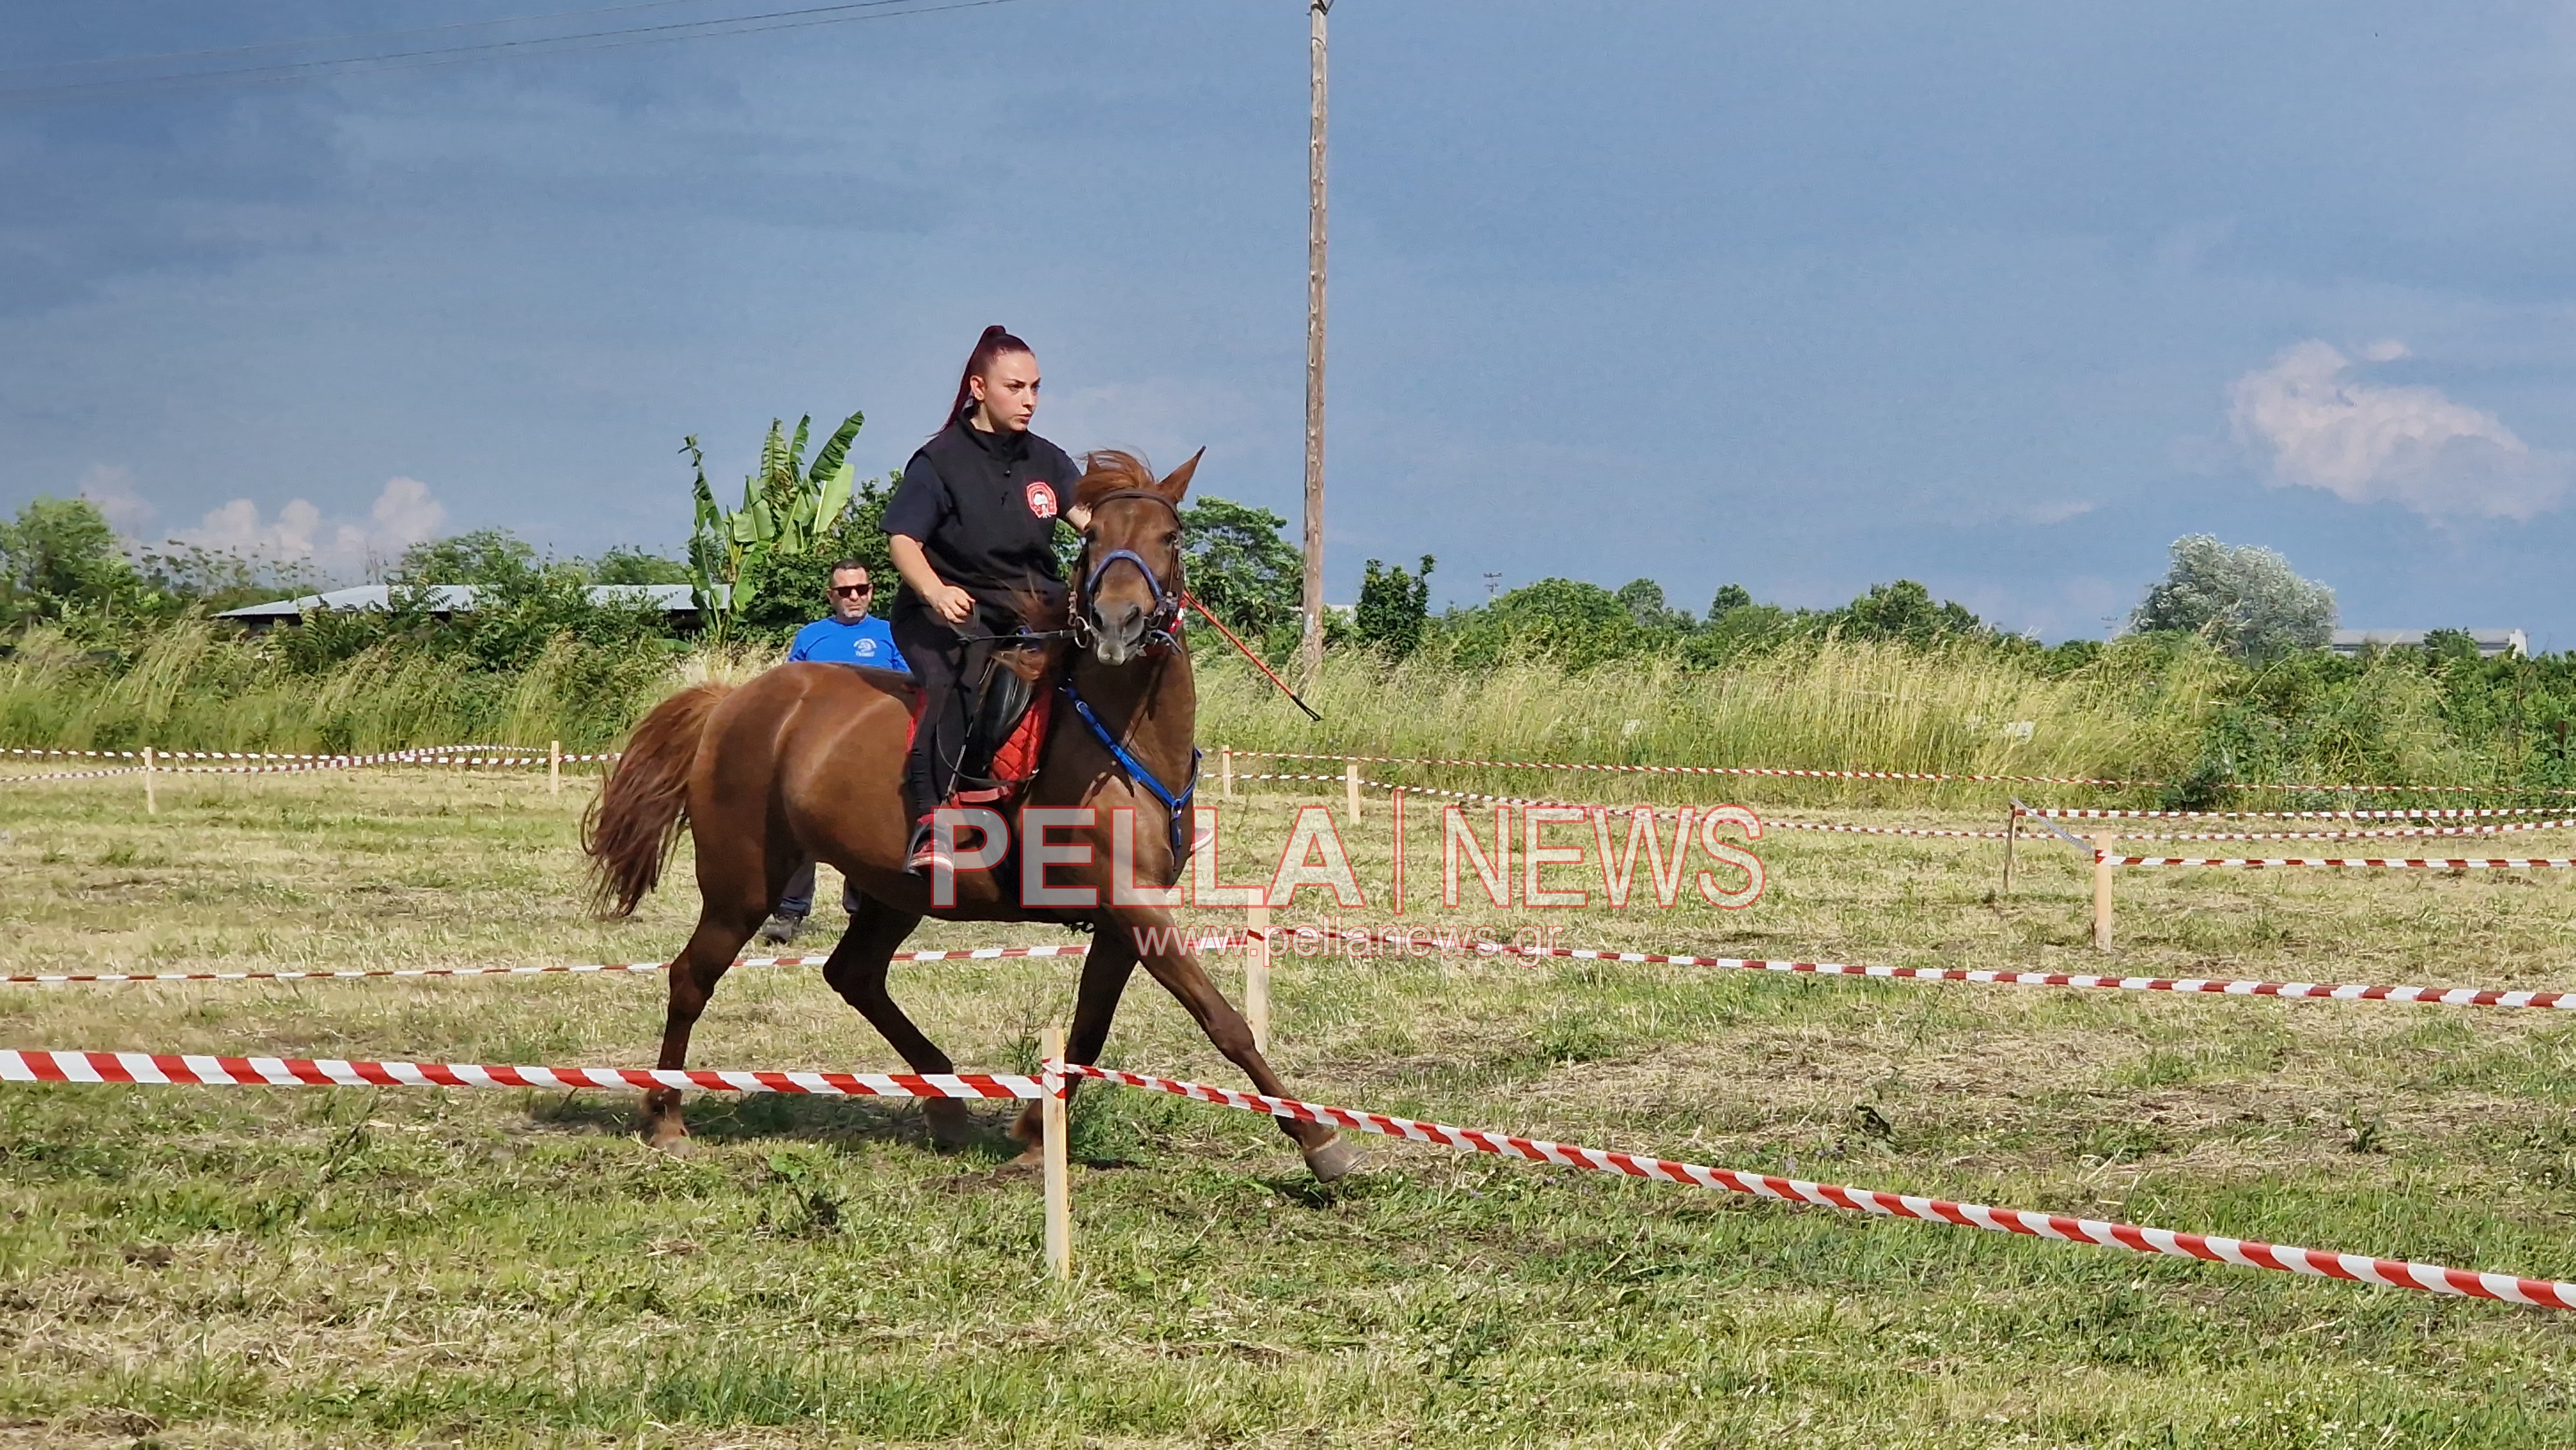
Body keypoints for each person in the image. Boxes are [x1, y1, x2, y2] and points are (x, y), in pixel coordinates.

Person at [882, 324, 1091, 873]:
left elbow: (1089, 522)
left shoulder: (1048, 459)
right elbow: (903, 540)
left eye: (1037, 388)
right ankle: (933, 823)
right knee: (954, 683)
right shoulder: (939, 461)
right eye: (1015, 387)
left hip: (1032, 611)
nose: (1029, 401)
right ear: (979, 387)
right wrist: (935, 588)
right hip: (947, 611)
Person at [757, 561, 912, 943]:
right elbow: (788, 691)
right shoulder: (811, 637)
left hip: (871, 751)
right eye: (845, 591)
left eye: (861, 588)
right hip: (816, 750)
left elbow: (910, 688)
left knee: (864, 832)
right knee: (801, 826)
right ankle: (789, 913)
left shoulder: (891, 635)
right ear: (831, 596)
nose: (854, 597)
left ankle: (861, 914)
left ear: (872, 592)